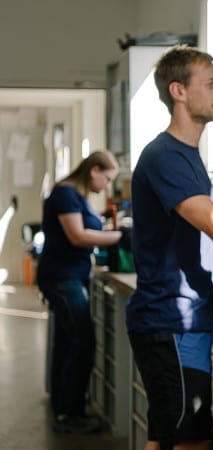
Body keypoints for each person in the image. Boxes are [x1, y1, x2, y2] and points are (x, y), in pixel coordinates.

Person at [127, 44, 213, 450]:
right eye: (211, 84)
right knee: (191, 442)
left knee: (166, 436)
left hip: (181, 318)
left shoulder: (186, 156)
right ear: (179, 91)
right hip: (171, 321)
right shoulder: (165, 156)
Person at [37, 149, 122, 433]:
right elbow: (77, 235)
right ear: (94, 170)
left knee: (66, 341)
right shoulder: (65, 193)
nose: (106, 185)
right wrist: (120, 237)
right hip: (63, 278)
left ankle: (62, 408)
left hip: (69, 276)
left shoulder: (76, 196)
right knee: (82, 343)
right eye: (107, 178)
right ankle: (72, 414)